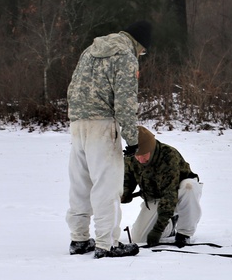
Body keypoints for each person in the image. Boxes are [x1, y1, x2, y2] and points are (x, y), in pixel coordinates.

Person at [66, 21, 151, 259]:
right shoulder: (125, 55)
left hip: (77, 123)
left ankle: (79, 238)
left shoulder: (90, 49)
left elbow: (72, 87)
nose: (142, 54)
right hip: (103, 125)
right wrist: (132, 138)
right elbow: (125, 101)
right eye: (143, 50)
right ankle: (108, 243)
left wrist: (77, 117)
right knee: (107, 185)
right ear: (139, 43)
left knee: (81, 184)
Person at [121, 127, 202, 248]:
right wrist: (122, 195)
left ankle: (184, 233)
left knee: (189, 186)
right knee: (139, 238)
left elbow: (170, 194)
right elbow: (127, 182)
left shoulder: (169, 155)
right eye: (137, 156)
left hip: (178, 194)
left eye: (144, 155)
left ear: (151, 149)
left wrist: (158, 229)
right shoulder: (130, 157)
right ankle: (170, 226)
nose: (141, 159)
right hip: (154, 198)